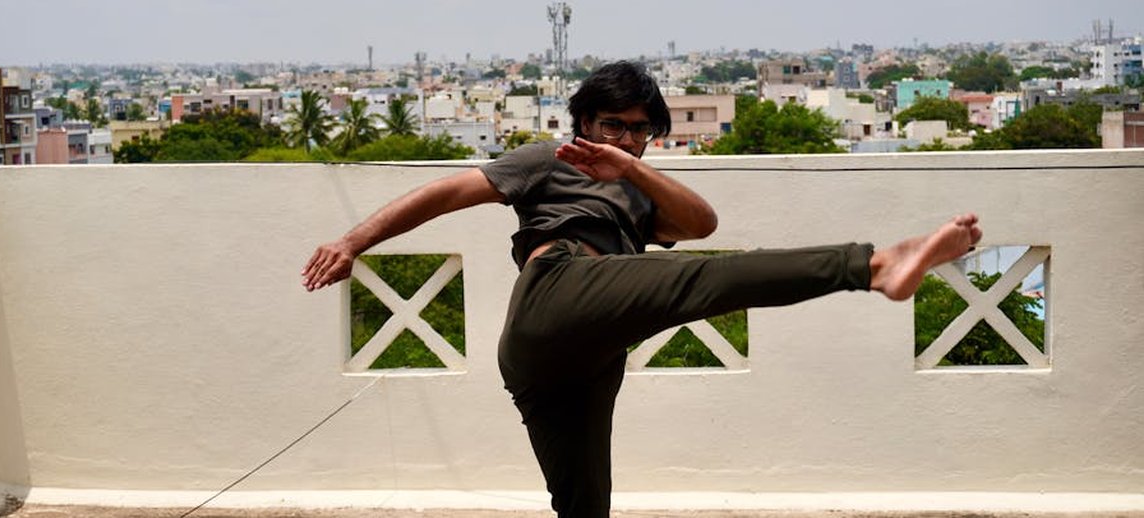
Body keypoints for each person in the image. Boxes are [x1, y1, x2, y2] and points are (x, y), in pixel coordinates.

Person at [301, 61, 982, 518]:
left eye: (639, 130)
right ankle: (873, 266)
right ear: (583, 124)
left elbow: (700, 222)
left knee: (583, 503)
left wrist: (629, 169)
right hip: (555, 293)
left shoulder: (636, 187)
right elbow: (444, 193)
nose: (625, 138)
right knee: (705, 280)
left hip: (593, 350)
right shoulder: (548, 161)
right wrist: (352, 242)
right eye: (611, 126)